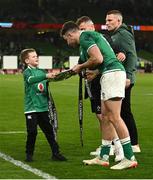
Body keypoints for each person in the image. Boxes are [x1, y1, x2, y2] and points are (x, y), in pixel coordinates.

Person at [60, 21, 138, 169]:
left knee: (114, 117)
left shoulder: (85, 36)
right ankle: (103, 156)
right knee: (106, 117)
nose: (68, 42)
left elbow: (98, 59)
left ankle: (129, 157)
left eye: (66, 39)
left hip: (112, 74)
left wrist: (81, 66)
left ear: (70, 34)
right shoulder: (88, 38)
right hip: (109, 74)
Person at [76, 16, 125, 162]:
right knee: (102, 116)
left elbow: (112, 57)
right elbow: (84, 63)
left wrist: (95, 72)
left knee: (111, 116)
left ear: (91, 27)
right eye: (80, 30)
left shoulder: (101, 38)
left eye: (84, 29)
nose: (82, 32)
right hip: (95, 85)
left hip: (106, 79)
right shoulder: (83, 44)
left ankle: (119, 148)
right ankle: (106, 149)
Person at [20, 48, 67, 162]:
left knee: (49, 132)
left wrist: (62, 75)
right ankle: (29, 155)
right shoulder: (27, 72)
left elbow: (50, 80)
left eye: (36, 56)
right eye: (33, 56)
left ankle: (56, 153)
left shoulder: (42, 71)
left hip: (43, 108)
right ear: (27, 61)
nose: (36, 58)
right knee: (32, 132)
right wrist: (46, 76)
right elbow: (31, 80)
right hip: (31, 108)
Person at [105, 10, 141, 152]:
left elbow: (132, 55)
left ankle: (133, 144)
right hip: (120, 77)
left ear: (119, 21)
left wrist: (128, 76)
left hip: (124, 79)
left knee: (123, 112)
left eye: (110, 20)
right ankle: (120, 144)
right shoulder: (116, 34)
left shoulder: (123, 34)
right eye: (106, 20)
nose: (107, 23)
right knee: (120, 112)